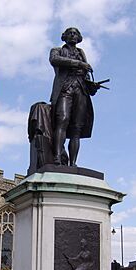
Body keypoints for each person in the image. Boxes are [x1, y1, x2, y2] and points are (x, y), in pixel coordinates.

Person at [49, 27, 100, 166]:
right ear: (64, 36)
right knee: (62, 120)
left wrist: (93, 87)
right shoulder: (57, 50)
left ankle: (73, 163)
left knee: (77, 128)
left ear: (79, 38)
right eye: (70, 33)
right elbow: (54, 60)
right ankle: (57, 157)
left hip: (81, 91)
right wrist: (78, 63)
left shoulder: (81, 54)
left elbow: (86, 78)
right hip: (65, 88)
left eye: (75, 33)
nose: (73, 35)